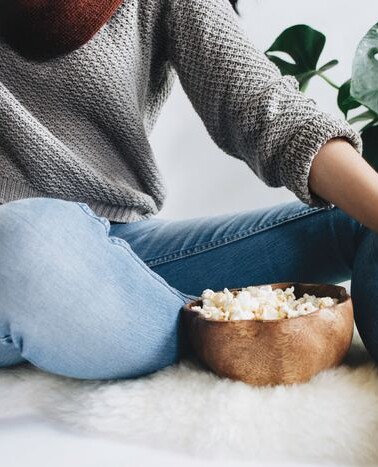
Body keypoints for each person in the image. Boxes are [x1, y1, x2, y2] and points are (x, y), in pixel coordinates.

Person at [0, 0, 376, 380]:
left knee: (359, 217)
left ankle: (185, 323)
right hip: (23, 256)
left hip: (125, 243)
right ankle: (221, 331)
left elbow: (267, 109)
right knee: (26, 237)